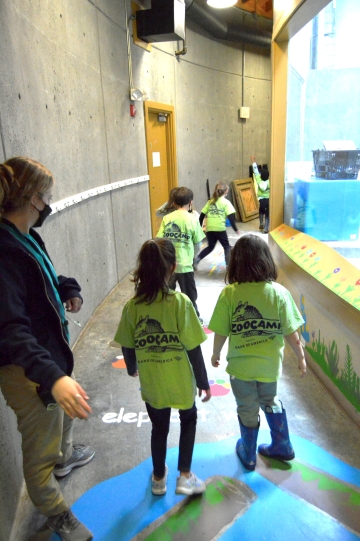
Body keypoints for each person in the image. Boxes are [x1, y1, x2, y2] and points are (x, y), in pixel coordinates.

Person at [0, 157, 94, 541]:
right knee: (39, 458)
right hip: (29, 372)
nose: (50, 203)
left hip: (50, 360)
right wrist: (52, 377)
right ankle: (57, 513)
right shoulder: (3, 250)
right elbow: (8, 329)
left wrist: (67, 288)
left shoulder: (28, 237)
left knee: (66, 412)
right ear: (32, 198)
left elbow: (43, 276)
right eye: (47, 196)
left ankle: (64, 456)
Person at [114, 238, 211, 496]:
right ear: (173, 267)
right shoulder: (180, 303)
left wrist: (132, 366)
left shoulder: (132, 307)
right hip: (180, 381)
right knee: (188, 419)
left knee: (159, 427)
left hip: (153, 383)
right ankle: (185, 475)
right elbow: (193, 348)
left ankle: (158, 478)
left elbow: (127, 343)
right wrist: (203, 381)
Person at [208, 234, 306, 471]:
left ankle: (249, 453)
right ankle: (282, 445)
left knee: (247, 406)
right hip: (269, 368)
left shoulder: (230, 294)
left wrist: (216, 353)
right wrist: (301, 357)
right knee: (270, 401)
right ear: (266, 261)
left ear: (236, 263)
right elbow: (292, 333)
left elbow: (221, 330)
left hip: (240, 369)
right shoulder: (279, 293)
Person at [156, 187, 205, 321]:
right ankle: (194, 318)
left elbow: (160, 241)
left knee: (167, 294)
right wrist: (193, 258)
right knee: (189, 295)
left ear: (173, 202)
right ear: (191, 202)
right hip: (185, 265)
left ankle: (167, 319)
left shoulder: (167, 218)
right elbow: (198, 243)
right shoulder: (192, 219)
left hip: (169, 266)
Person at [194, 181, 240, 269]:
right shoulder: (226, 202)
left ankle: (197, 259)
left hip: (210, 228)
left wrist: (200, 227)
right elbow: (231, 218)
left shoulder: (210, 202)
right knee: (226, 246)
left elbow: (202, 215)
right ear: (226, 191)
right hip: (220, 228)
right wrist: (235, 229)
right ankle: (229, 266)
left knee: (210, 246)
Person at [251, 155, 270, 233]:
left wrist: (253, 161)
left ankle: (261, 223)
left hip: (261, 200)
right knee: (267, 213)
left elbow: (255, 171)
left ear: (261, 176)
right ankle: (266, 228)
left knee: (261, 211)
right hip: (268, 200)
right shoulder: (269, 182)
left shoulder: (259, 180)